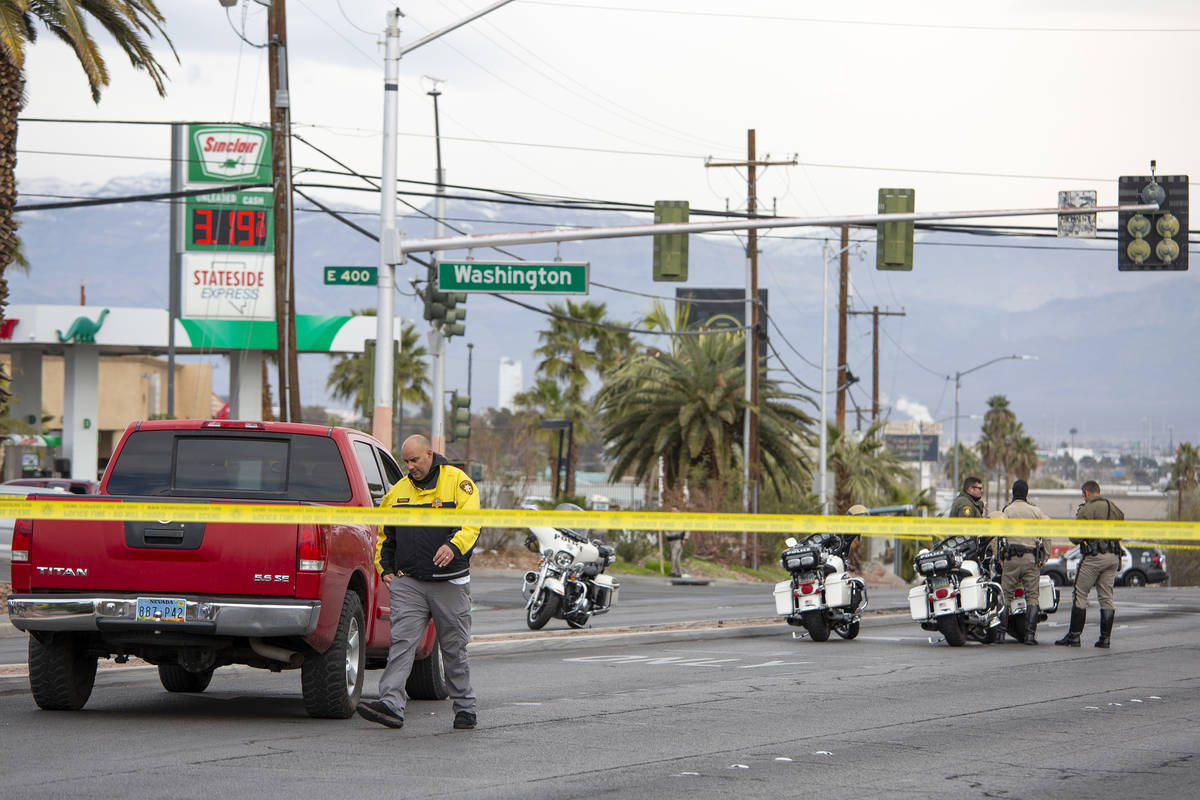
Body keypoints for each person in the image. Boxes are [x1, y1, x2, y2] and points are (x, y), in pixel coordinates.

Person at [356, 435, 480, 731]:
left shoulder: (457, 482)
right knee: (401, 644)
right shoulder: (398, 493)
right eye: (406, 461)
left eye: (415, 460)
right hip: (409, 583)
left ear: (429, 453)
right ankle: (391, 705)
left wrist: (453, 546)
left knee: (453, 649)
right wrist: (385, 569)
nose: (410, 466)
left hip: (449, 583)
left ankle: (464, 707)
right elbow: (385, 536)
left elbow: (472, 523)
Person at [1056, 480, 1124, 649]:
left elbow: (1076, 538)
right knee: (1106, 597)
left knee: (1080, 593)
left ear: (1086, 493)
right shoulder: (1114, 507)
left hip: (1094, 557)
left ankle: (1074, 636)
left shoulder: (1087, 509)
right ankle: (1105, 638)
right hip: (1113, 556)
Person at [1000, 479, 1047, 645]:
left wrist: (998, 557)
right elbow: (1047, 534)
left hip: (1011, 559)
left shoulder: (1006, 510)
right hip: (1030, 559)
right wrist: (1044, 557)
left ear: (1013, 492)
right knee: (1032, 597)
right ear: (1026, 493)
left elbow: (996, 536)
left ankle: (1000, 635)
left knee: (1005, 596)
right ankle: (1029, 636)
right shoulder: (1036, 511)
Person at [664, 506, 688, 577]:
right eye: (672, 511)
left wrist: (685, 538)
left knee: (674, 555)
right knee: (677, 558)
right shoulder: (669, 519)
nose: (673, 512)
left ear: (678, 511)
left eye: (674, 511)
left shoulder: (682, 519)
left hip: (679, 540)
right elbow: (665, 528)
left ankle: (673, 572)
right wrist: (668, 535)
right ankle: (679, 573)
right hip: (672, 540)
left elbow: (687, 529)